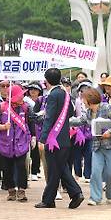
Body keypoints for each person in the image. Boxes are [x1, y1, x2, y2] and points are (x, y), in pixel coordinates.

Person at [35, 68, 84, 209]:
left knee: (55, 169)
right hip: (64, 138)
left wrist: (43, 139)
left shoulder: (53, 95)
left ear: (47, 80)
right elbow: (70, 113)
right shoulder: (65, 93)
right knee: (60, 168)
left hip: (53, 139)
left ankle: (72, 194)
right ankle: (59, 197)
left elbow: (49, 118)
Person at [70, 87, 111, 205]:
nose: (83, 102)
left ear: (90, 100)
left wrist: (110, 132)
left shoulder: (107, 108)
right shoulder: (88, 113)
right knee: (95, 172)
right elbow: (79, 121)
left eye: (84, 99)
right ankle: (95, 197)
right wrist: (64, 120)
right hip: (97, 146)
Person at [0, 85, 33, 202]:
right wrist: (3, 127)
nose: (22, 98)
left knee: (21, 167)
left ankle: (21, 190)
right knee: (7, 168)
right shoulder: (0, 107)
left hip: (21, 143)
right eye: (20, 96)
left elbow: (32, 122)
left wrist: (33, 137)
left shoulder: (26, 108)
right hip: (5, 143)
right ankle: (11, 190)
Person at [71, 81, 93, 184]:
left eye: (87, 89)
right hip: (78, 131)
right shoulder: (76, 102)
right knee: (77, 154)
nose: (84, 91)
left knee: (89, 153)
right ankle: (77, 174)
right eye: (82, 89)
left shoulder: (93, 102)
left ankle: (88, 175)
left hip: (90, 131)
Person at [25, 82, 44, 181]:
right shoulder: (25, 101)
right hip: (27, 126)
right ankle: (26, 172)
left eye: (35, 89)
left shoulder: (42, 101)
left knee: (36, 151)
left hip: (39, 127)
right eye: (31, 89)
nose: (33, 91)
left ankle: (35, 171)